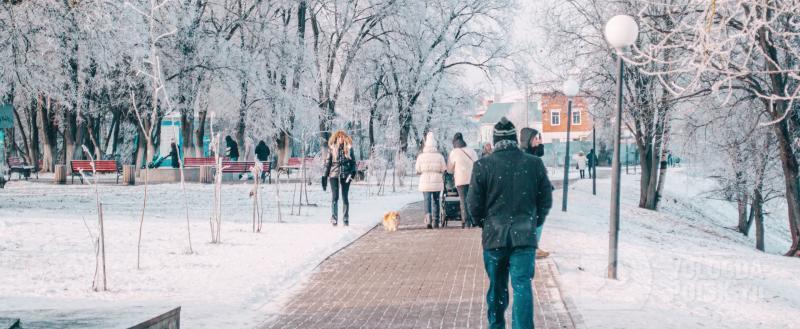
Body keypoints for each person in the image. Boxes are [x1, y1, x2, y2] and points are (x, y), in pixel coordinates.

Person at [468, 117, 553, 329]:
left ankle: (496, 326)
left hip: (494, 237)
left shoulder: (483, 165)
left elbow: (473, 204)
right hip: (524, 236)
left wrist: (483, 222)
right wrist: (533, 221)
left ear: (495, 140)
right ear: (515, 139)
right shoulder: (533, 163)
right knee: (522, 286)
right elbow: (545, 200)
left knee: (497, 288)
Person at [520, 128, 552, 260]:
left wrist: (540, 143)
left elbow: (539, 153)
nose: (536, 140)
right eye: (534, 138)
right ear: (528, 139)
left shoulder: (529, 151)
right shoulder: (524, 154)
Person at [323, 130, 356, 227]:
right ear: (336, 138)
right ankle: (334, 218)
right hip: (334, 175)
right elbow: (328, 163)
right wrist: (324, 176)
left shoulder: (349, 149)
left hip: (345, 175)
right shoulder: (332, 148)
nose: (341, 139)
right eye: (339, 137)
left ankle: (345, 219)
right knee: (335, 197)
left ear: (345, 138)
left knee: (345, 197)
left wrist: (353, 173)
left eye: (342, 137)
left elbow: (353, 162)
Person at [415, 132, 447, 229]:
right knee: (436, 201)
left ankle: (428, 220)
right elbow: (444, 169)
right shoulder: (440, 156)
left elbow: (417, 169)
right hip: (436, 182)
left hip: (425, 182)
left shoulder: (421, 156)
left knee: (427, 201)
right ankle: (436, 221)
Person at [447, 132, 478, 228]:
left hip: (460, 180)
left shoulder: (454, 152)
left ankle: (466, 221)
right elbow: (477, 164)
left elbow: (449, 169)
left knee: (463, 200)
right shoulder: (471, 151)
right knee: (472, 200)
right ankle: (474, 220)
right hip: (472, 179)